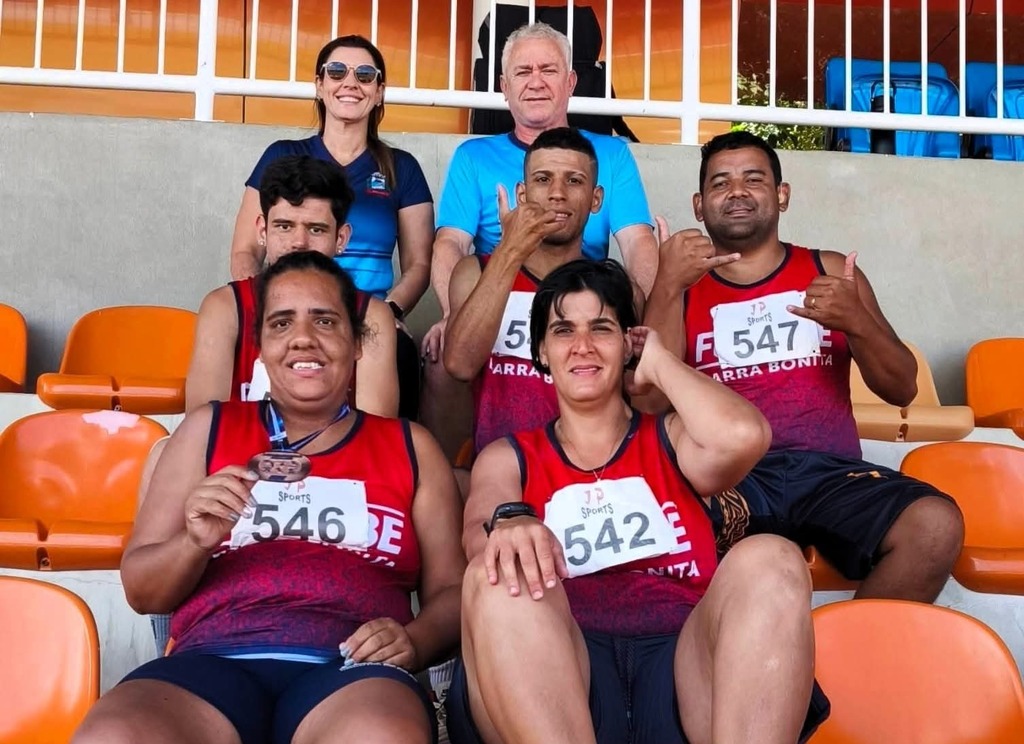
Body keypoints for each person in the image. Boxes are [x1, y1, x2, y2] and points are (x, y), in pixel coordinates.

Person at [73, 250, 464, 744]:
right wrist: (193, 543)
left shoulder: (409, 447)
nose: (304, 337)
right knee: (112, 736)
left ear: (358, 343)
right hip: (211, 661)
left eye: (325, 320)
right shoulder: (208, 430)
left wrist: (414, 639)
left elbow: (452, 594)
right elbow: (142, 589)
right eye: (282, 323)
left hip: (353, 669)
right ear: (259, 347)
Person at [448, 259, 828, 744]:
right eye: (563, 331)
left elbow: (743, 434)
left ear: (628, 342)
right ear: (541, 350)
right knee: (500, 569)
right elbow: (481, 527)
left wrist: (660, 362)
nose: (582, 346)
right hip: (558, 674)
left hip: (684, 671)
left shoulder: (673, 440)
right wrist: (512, 522)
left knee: (773, 556)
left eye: (602, 328)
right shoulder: (511, 456)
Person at [645, 130, 964, 601]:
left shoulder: (830, 270)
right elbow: (649, 403)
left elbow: (902, 389)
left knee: (935, 525)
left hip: (831, 475)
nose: (736, 191)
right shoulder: (679, 287)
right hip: (730, 479)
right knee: (658, 538)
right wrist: (667, 287)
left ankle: (853, 667)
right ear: (698, 205)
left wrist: (857, 321)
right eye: (720, 183)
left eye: (753, 178)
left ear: (782, 194)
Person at [420, 22, 658, 458]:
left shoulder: (611, 153)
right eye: (522, 71)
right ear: (504, 86)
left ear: (570, 82)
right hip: (497, 288)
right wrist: (455, 314)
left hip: (585, 292)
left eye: (548, 70)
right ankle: (448, 475)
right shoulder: (473, 155)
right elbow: (450, 244)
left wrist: (645, 316)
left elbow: (639, 242)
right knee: (443, 353)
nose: (535, 82)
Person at [229, 34, 431, 419]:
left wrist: (386, 314)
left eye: (365, 75)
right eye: (336, 71)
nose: (350, 83)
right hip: (287, 309)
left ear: (380, 91)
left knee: (401, 354)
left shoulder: (401, 168)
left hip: (368, 315)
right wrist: (262, 312)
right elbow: (244, 251)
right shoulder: (282, 155)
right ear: (320, 86)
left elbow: (420, 265)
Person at [445, 127, 644, 462]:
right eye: (542, 179)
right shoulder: (475, 270)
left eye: (574, 181)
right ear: (522, 194)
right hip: (501, 468)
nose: (557, 193)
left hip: (591, 473)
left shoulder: (618, 288)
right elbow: (459, 364)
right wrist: (509, 251)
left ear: (597, 199)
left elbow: (639, 398)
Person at [188, 154, 398, 417]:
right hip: (236, 458)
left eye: (316, 229)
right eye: (284, 226)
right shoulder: (225, 308)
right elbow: (203, 433)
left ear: (341, 238)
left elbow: (375, 441)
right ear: (263, 232)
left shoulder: (371, 315)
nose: (299, 241)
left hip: (343, 458)